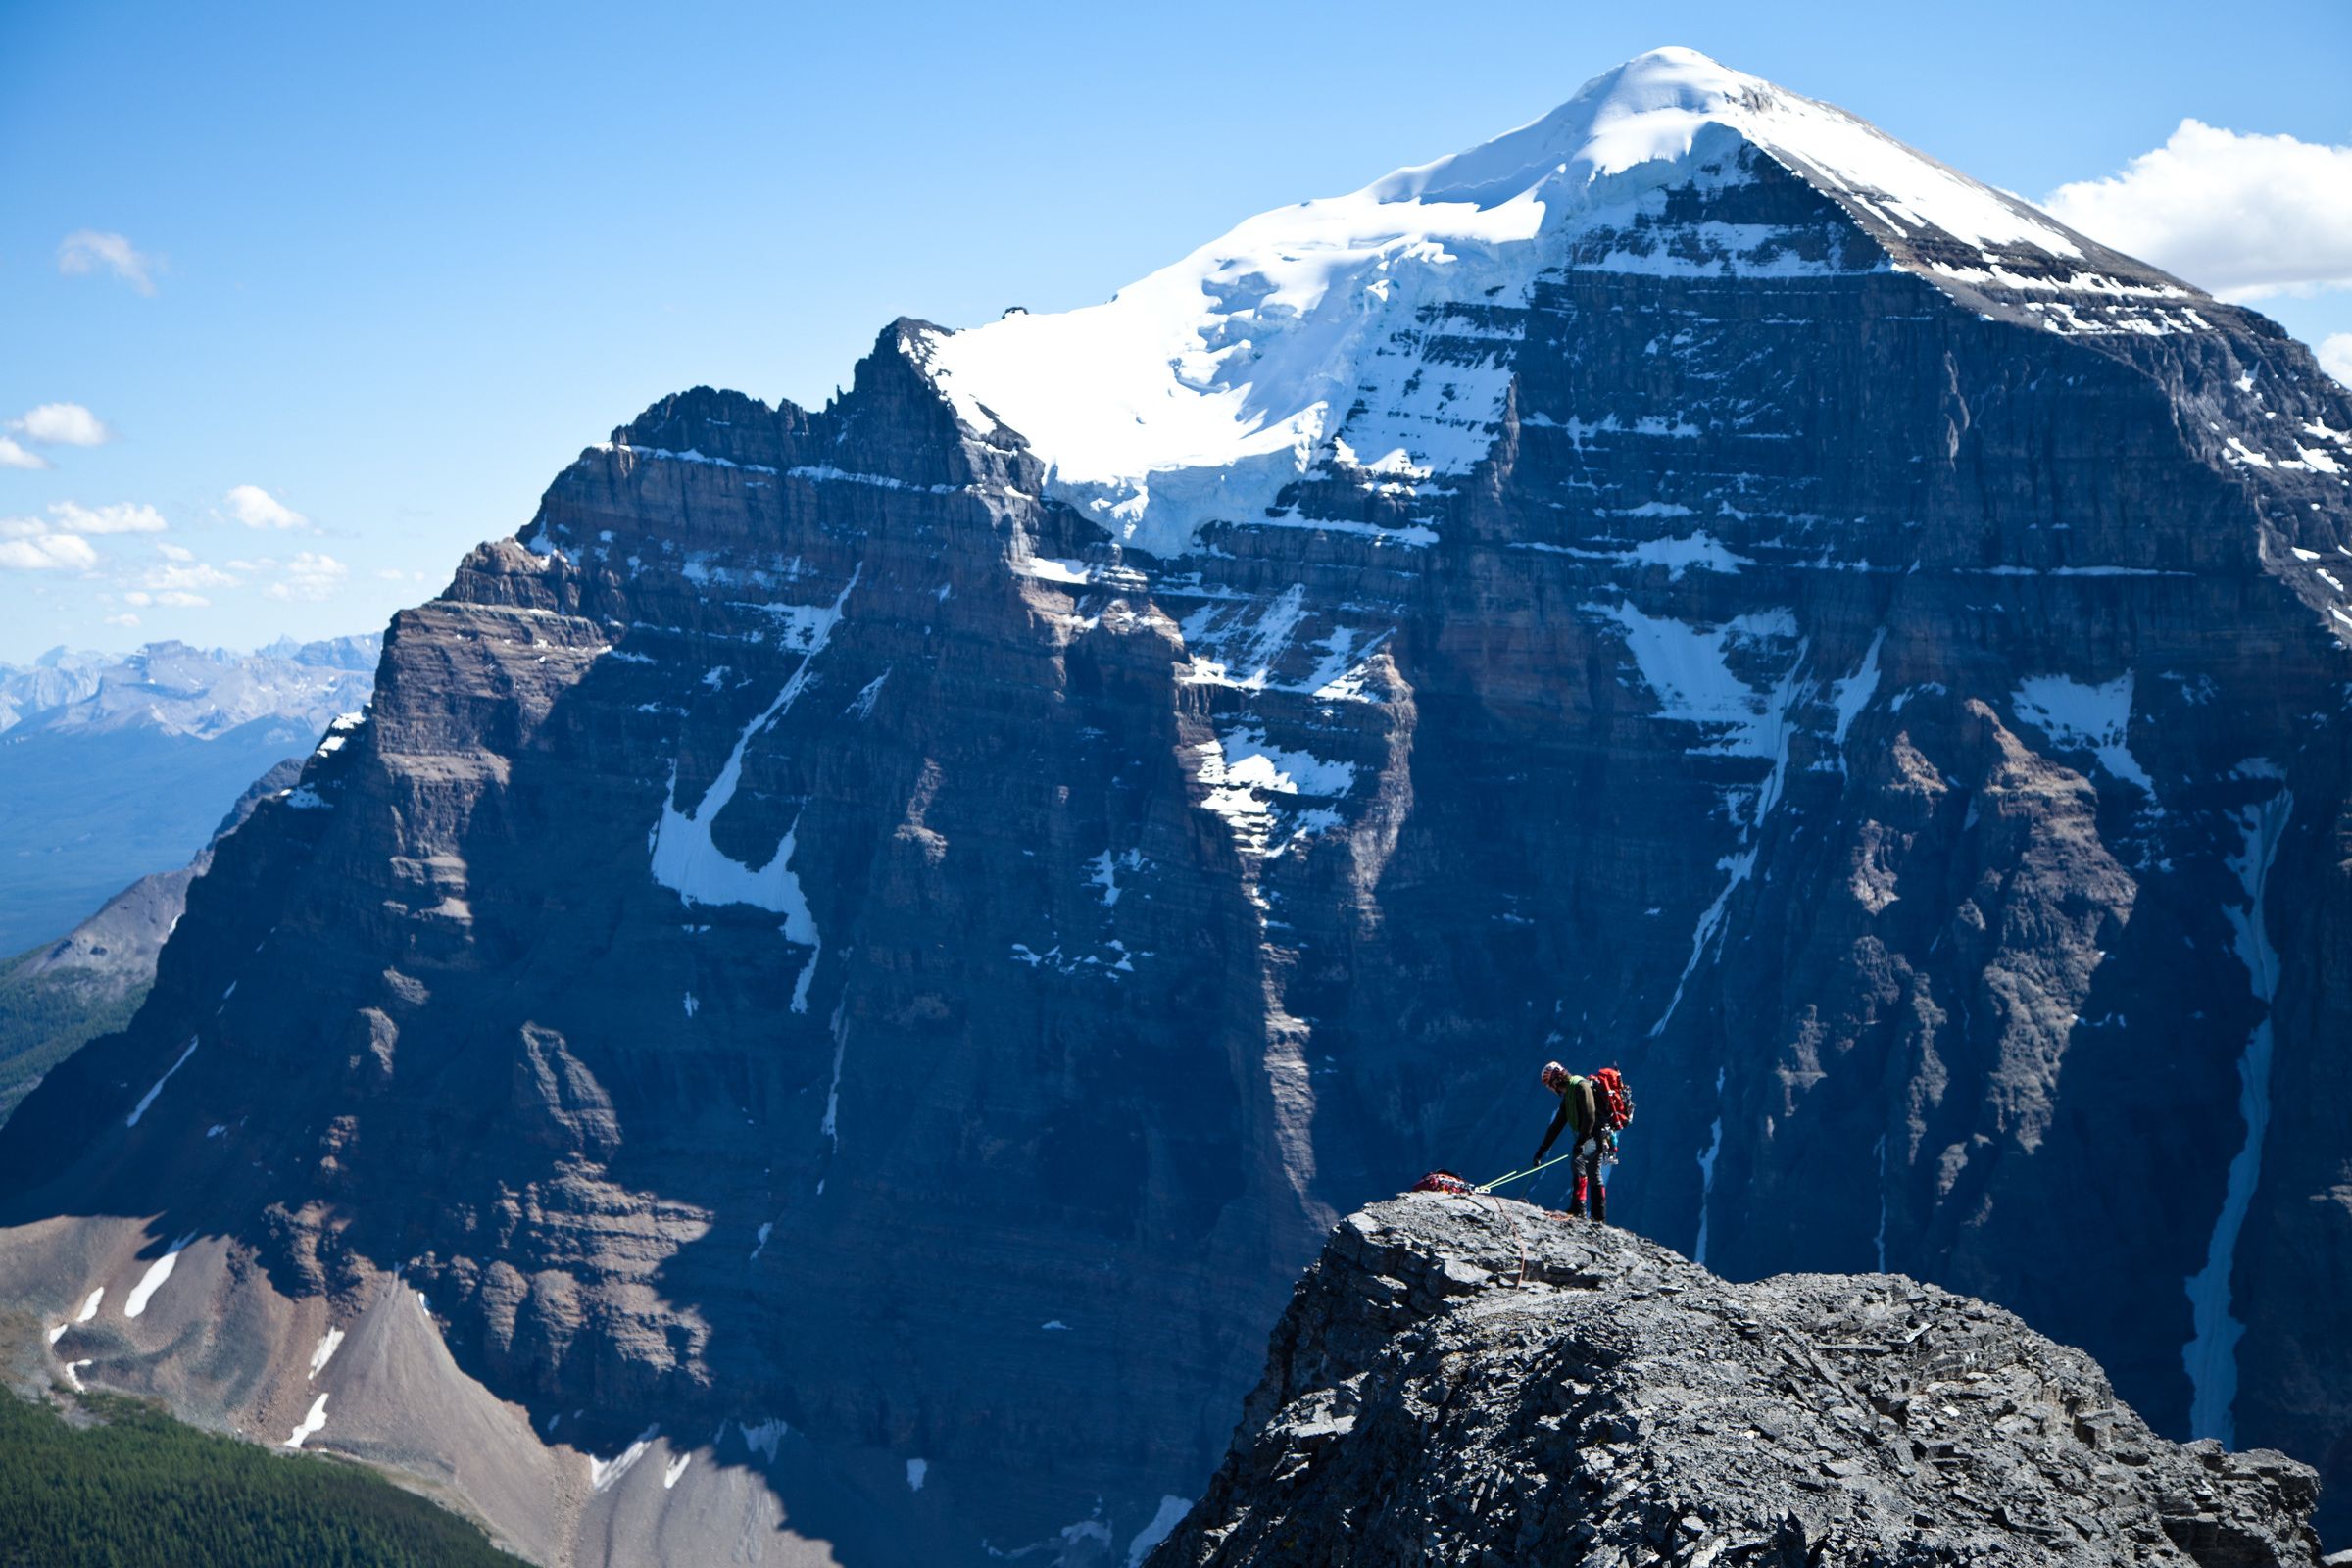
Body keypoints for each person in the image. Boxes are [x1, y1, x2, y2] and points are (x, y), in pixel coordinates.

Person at [1533, 1060, 1614, 1223]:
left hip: (1593, 1135)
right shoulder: (1571, 1092)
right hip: (1597, 1135)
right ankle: (1599, 1217)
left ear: (1555, 1081)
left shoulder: (1580, 1086)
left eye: (1550, 1085)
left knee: (1578, 1163)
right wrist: (1542, 1150)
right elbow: (1556, 1125)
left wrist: (1580, 1143)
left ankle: (1579, 1209)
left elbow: (1590, 1116)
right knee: (1593, 1172)